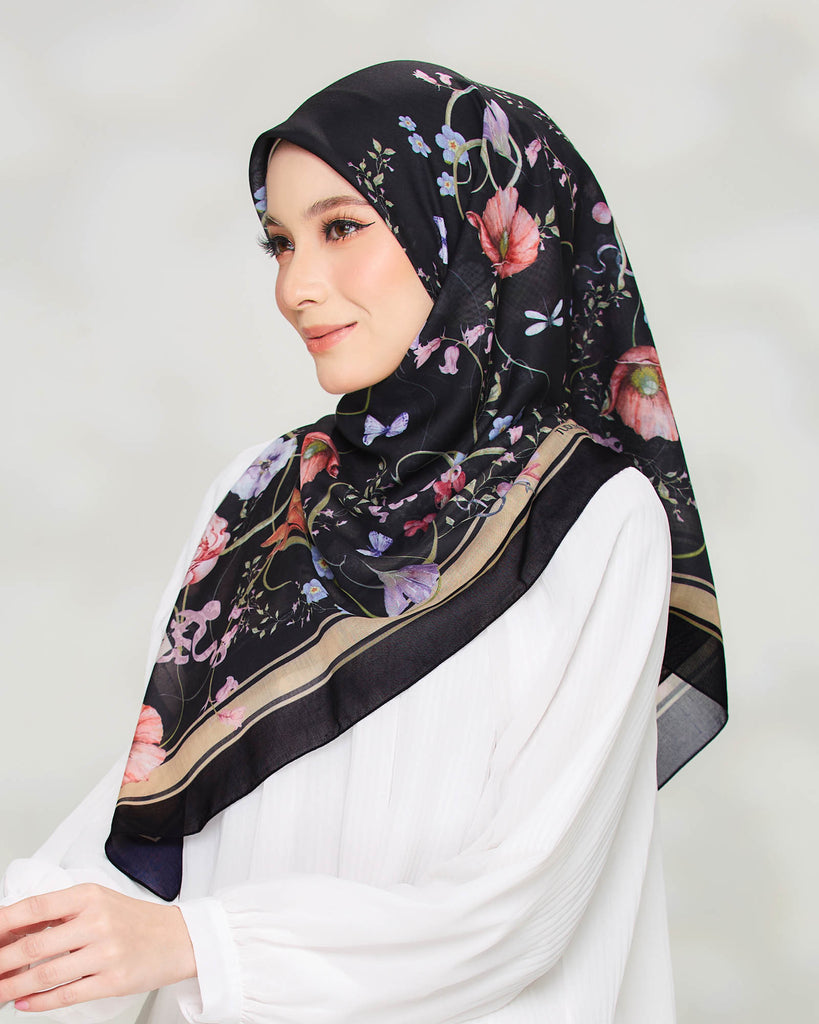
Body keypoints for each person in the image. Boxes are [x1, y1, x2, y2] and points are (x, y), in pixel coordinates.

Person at [0, 60, 726, 1023]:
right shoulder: (262, 491)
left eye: (340, 228)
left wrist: (201, 945)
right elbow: (153, 811)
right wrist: (34, 933)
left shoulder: (590, 514)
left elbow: (524, 903)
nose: (296, 287)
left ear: (472, 228)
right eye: (279, 242)